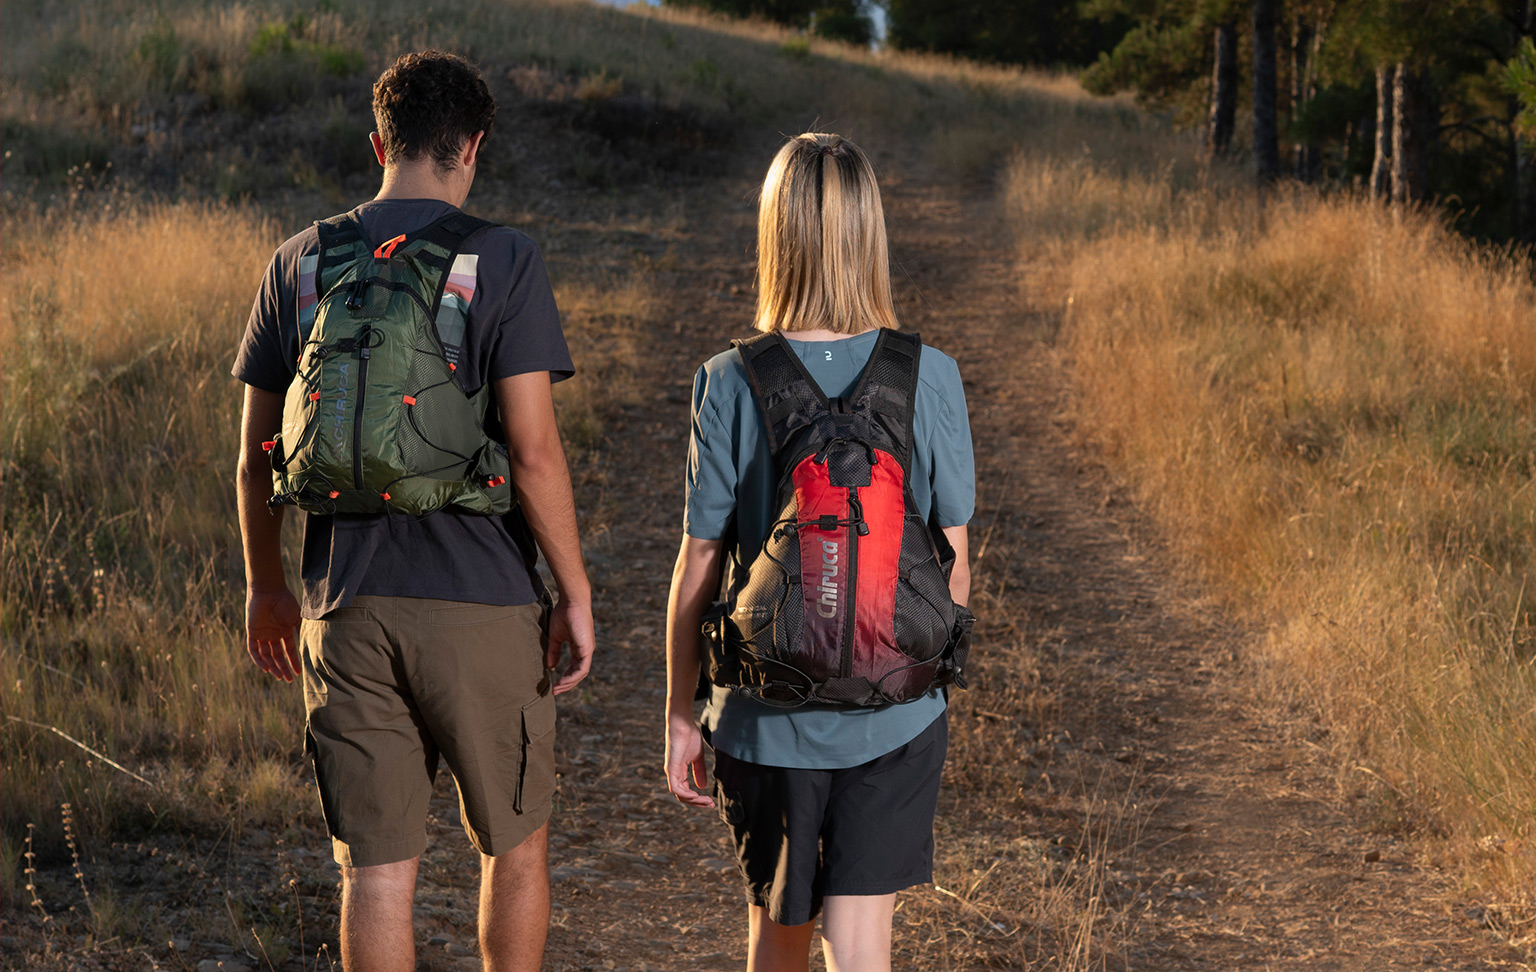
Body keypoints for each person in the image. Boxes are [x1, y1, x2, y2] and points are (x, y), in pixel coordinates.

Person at [232, 50, 594, 972]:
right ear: (471, 147)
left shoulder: (298, 262)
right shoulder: (504, 257)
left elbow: (253, 459)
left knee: (377, 876)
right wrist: (574, 591)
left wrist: (267, 589)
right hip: (478, 599)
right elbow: (535, 449)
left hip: (341, 604)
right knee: (513, 849)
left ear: (376, 143)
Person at [663, 133, 975, 972]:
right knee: (863, 946)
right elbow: (953, 563)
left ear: (777, 234)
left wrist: (680, 711)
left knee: (780, 932)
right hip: (896, 714)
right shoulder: (930, 374)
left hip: (766, 717)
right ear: (870, 232)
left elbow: (698, 567)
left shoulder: (728, 378)